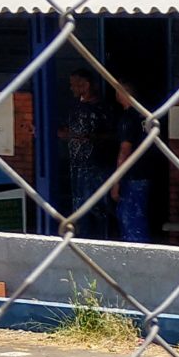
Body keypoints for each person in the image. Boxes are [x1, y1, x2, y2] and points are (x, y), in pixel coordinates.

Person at [56, 65, 123, 238]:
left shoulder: (104, 108)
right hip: (77, 166)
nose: (72, 88)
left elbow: (116, 135)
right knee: (80, 207)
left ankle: (104, 240)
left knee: (100, 207)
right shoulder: (73, 108)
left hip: (98, 166)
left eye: (75, 84)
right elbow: (62, 130)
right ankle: (84, 240)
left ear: (86, 85)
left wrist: (93, 137)